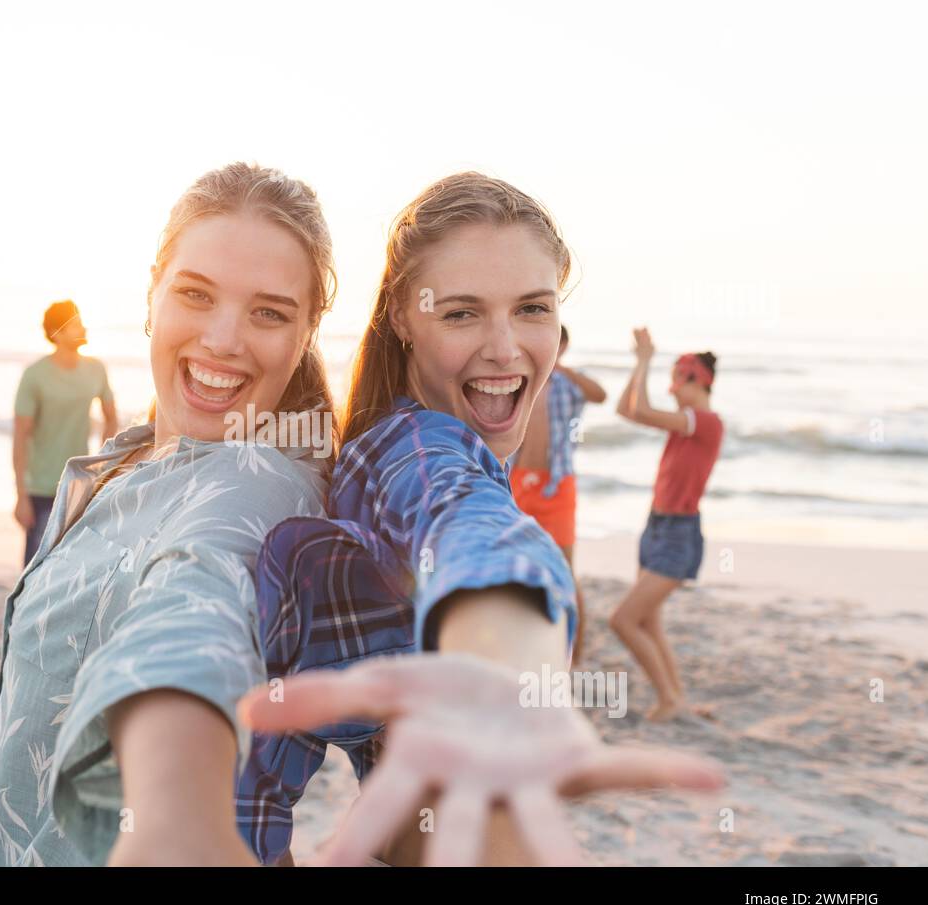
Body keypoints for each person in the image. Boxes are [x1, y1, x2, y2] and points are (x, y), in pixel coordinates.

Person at [236, 174, 721, 866]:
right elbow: (467, 522)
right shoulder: (414, 451)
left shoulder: (367, 455)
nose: (504, 347)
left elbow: (254, 791)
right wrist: (508, 664)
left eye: (531, 308)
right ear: (403, 315)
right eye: (462, 313)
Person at [0, 162, 339, 866]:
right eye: (196, 294)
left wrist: (170, 807)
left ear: (307, 332)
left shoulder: (257, 489)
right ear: (152, 295)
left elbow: (195, 608)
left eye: (269, 312)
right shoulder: (122, 459)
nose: (224, 339)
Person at [609, 331, 722, 721]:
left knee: (623, 620)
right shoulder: (685, 423)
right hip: (656, 526)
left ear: (697, 381)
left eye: (677, 380)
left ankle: (669, 699)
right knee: (648, 619)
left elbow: (640, 411)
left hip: (678, 534)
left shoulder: (705, 422)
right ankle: (677, 698)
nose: (671, 390)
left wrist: (644, 359)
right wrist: (639, 363)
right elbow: (626, 409)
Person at [507, 324, 606, 663]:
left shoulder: (567, 382)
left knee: (564, 570)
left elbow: (600, 395)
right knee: (517, 567)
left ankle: (573, 657)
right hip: (518, 482)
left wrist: (559, 368)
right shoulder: (519, 381)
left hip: (557, 484)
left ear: (561, 345)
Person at [13, 300, 118, 566]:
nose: (83, 328)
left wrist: (102, 465)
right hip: (41, 487)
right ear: (57, 334)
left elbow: (111, 418)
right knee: (35, 568)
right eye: (75, 325)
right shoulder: (35, 375)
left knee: (72, 566)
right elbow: (20, 437)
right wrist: (21, 496)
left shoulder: (96, 369)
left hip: (80, 484)